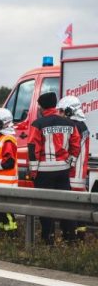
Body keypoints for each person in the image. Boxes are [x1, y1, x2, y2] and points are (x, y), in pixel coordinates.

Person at [27, 91, 81, 243]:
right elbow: (76, 146)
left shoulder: (38, 124)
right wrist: (70, 163)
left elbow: (32, 148)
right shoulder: (69, 123)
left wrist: (33, 171)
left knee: (45, 207)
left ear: (42, 107)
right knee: (65, 205)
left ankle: (48, 238)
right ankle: (70, 237)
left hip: (44, 172)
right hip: (62, 170)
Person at [57, 95, 90, 239]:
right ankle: (80, 236)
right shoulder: (83, 126)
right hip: (80, 176)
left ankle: (69, 237)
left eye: (62, 111)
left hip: (71, 175)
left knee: (67, 210)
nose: (60, 115)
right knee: (79, 211)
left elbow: (70, 151)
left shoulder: (73, 127)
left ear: (70, 111)